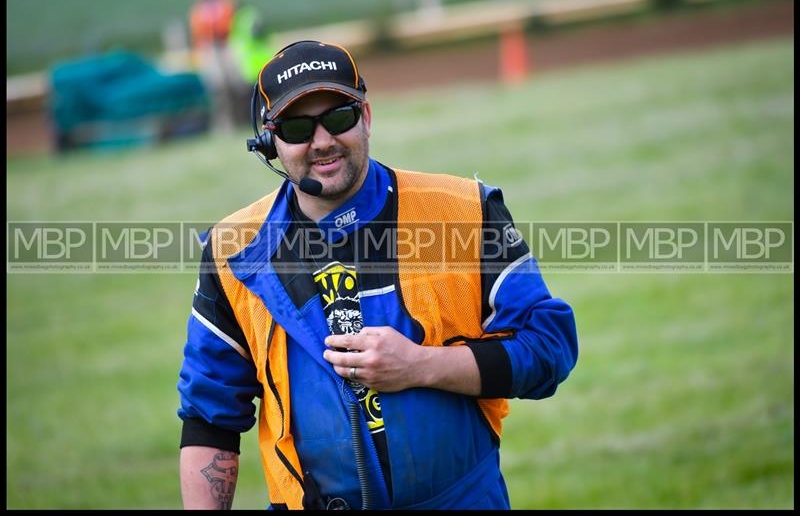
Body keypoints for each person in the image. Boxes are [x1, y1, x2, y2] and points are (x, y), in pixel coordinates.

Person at [177, 40, 578, 510]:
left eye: (339, 118)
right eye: (298, 127)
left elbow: (549, 347)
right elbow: (209, 419)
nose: (322, 140)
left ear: (366, 117)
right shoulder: (233, 251)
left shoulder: (464, 211)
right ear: (270, 140)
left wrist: (420, 366)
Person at [188, 0, 245, 131]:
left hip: (227, 44)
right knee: (218, 88)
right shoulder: (197, 12)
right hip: (210, 49)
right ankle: (225, 123)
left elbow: (236, 21)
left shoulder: (226, 4)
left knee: (236, 84)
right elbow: (197, 36)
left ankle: (242, 118)